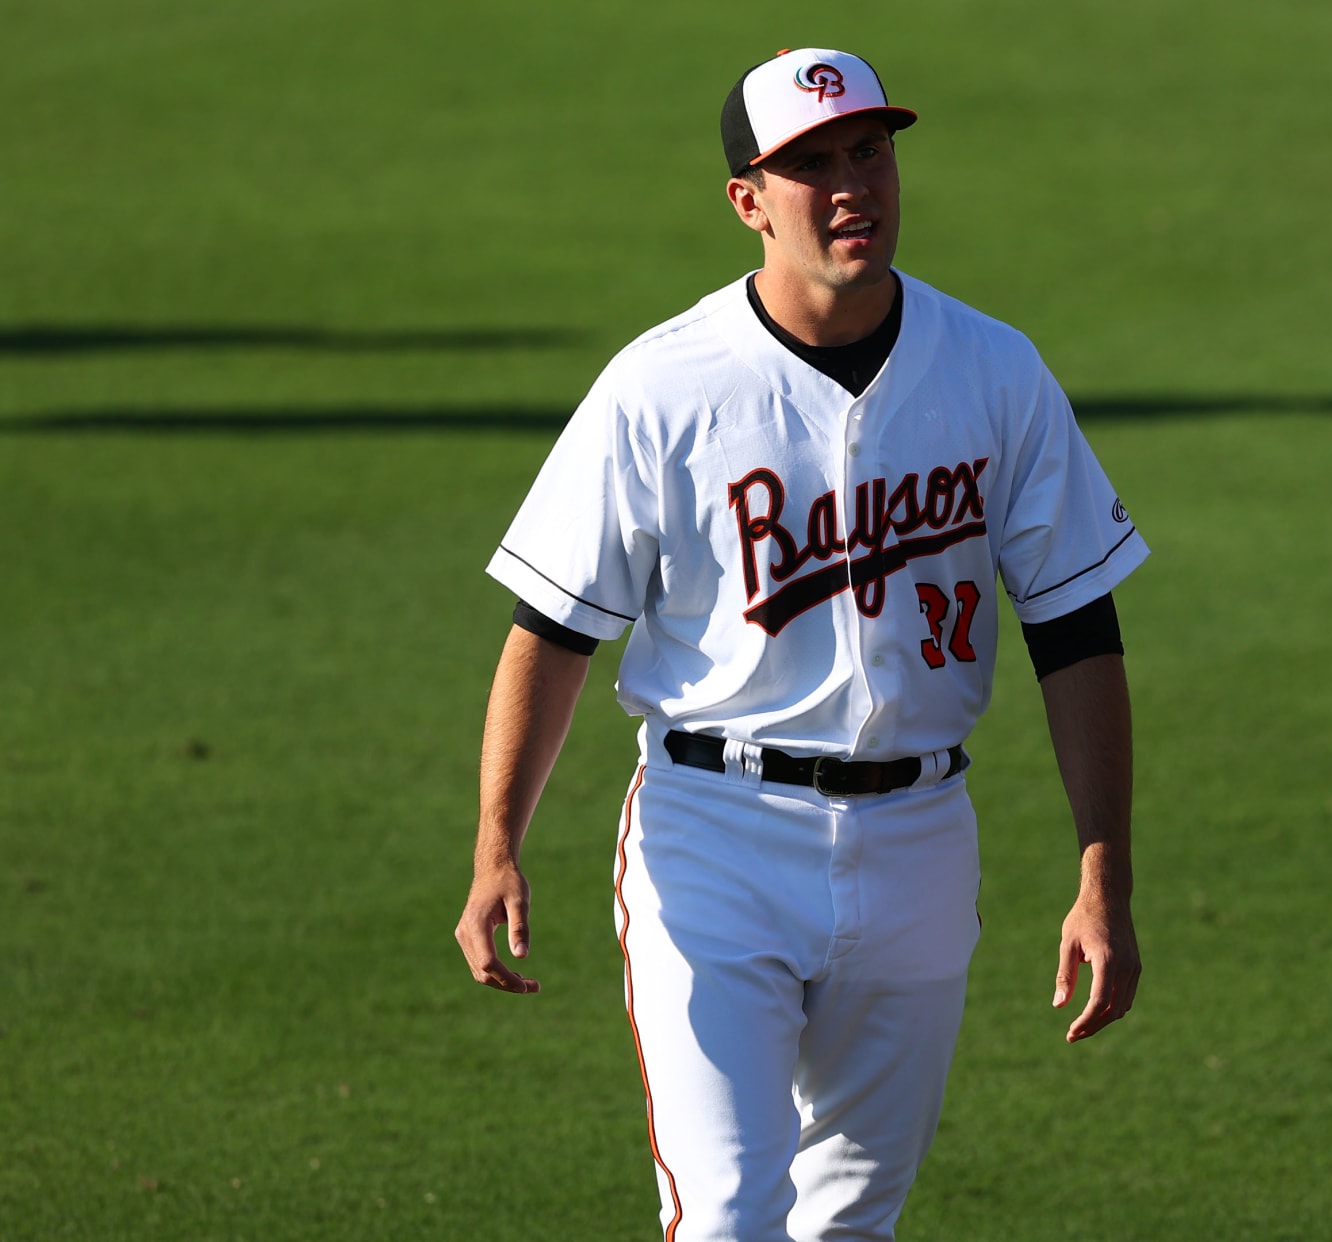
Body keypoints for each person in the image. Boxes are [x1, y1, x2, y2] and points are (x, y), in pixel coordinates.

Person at [450, 47, 1147, 1241]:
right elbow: (553, 629)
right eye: (807, 163)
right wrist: (496, 842)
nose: (848, 185)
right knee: (725, 1216)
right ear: (748, 201)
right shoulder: (661, 388)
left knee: (850, 1224)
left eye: (868, 151)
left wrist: (1103, 876)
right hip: (715, 839)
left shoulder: (995, 371)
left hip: (922, 837)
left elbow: (1076, 628)